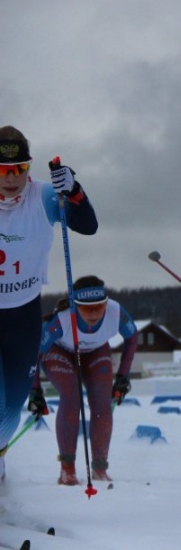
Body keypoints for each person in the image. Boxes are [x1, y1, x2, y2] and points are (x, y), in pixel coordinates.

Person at [0, 126, 97, 483]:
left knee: (13, 405)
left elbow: (88, 226)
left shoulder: (43, 196)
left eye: (19, 169)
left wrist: (73, 191)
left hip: (24, 313)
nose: (11, 179)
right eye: (1, 170)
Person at [27, 276, 138, 484]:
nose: (94, 313)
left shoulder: (115, 312)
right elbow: (35, 353)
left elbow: (133, 337)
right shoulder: (61, 320)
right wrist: (35, 390)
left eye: (99, 306)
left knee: (102, 404)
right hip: (60, 352)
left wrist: (123, 376)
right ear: (75, 305)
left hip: (95, 352)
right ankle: (67, 470)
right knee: (71, 398)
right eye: (87, 308)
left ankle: (100, 468)